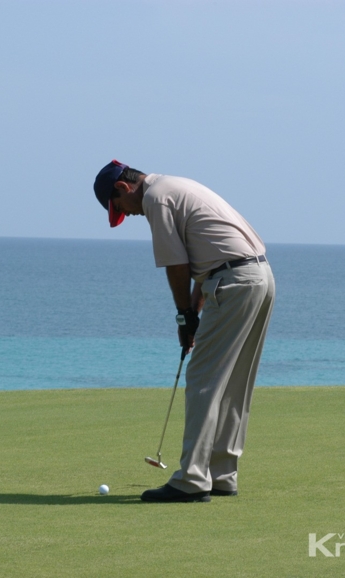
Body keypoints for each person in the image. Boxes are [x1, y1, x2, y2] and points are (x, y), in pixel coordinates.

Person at [93, 160, 276, 503]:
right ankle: (222, 474)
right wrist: (193, 313)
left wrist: (183, 317)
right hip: (258, 278)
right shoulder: (176, 185)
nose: (126, 215)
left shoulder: (156, 199)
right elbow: (205, 264)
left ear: (123, 188)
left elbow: (178, 266)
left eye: (119, 209)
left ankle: (191, 479)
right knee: (234, 383)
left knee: (204, 379)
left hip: (234, 283)